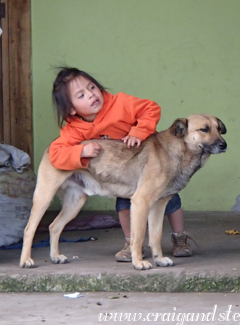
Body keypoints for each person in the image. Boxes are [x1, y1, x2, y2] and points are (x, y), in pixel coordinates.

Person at [49, 67, 194, 262]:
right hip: (123, 172)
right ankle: (131, 243)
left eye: (92, 87)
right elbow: (56, 153)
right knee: (124, 205)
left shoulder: (120, 103)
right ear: (72, 109)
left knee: (170, 198)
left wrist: (138, 132)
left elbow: (151, 108)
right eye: (81, 95)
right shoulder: (74, 129)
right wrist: (80, 152)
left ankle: (180, 238)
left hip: (150, 163)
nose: (91, 95)